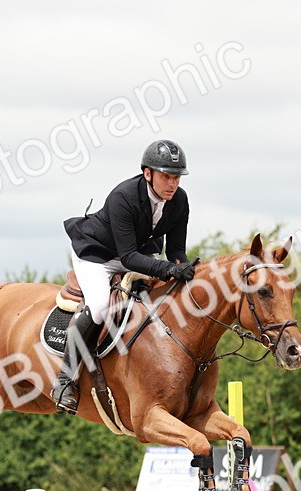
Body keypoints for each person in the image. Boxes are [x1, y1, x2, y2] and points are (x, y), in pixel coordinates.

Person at [52, 139, 197, 414]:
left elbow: (176, 249)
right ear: (147, 173)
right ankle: (64, 380)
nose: (172, 184)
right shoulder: (124, 196)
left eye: (176, 177)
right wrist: (168, 269)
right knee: (99, 306)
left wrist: (184, 269)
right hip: (98, 255)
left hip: (136, 255)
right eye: (166, 176)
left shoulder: (180, 201)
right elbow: (128, 257)